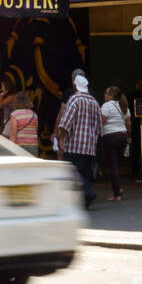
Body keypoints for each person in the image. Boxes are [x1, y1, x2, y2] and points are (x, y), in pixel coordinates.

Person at [57, 73, 102, 207]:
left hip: (74, 146)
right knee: (84, 174)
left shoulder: (74, 100)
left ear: (75, 86)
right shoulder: (94, 102)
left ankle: (87, 194)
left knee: (71, 173)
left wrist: (60, 139)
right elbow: (99, 126)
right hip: (89, 148)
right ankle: (84, 200)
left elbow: (66, 122)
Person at [100, 85, 131, 201]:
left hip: (110, 137)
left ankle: (116, 194)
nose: (105, 95)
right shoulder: (124, 107)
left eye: (106, 93)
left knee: (112, 166)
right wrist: (128, 136)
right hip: (122, 136)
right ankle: (118, 188)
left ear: (112, 95)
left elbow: (101, 122)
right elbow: (128, 124)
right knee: (116, 165)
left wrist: (98, 133)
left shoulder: (106, 106)